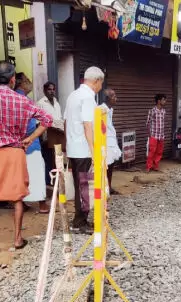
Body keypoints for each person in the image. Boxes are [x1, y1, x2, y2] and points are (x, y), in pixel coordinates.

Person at [0, 60, 53, 249]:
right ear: (13, 79)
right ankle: (18, 238)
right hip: (16, 152)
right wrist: (29, 138)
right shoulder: (23, 100)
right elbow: (47, 119)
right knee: (17, 196)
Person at [64, 66, 104, 233]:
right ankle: (80, 222)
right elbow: (88, 125)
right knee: (84, 186)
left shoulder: (73, 95)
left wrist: (67, 144)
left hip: (74, 147)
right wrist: (94, 151)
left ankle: (79, 219)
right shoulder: (88, 97)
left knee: (79, 185)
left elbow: (66, 122)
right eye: (101, 83)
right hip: (84, 149)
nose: (100, 86)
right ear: (97, 81)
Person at [37, 81, 65, 212]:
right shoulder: (40, 103)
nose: (52, 91)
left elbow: (59, 118)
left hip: (58, 136)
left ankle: (57, 189)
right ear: (44, 90)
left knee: (57, 162)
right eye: (49, 89)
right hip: (47, 137)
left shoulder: (57, 103)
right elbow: (39, 122)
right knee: (48, 163)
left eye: (53, 89)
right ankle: (49, 188)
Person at [99, 88, 122, 195]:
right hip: (104, 142)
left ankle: (108, 186)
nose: (116, 99)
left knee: (111, 165)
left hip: (111, 141)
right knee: (105, 166)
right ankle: (104, 189)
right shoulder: (101, 109)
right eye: (114, 96)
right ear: (108, 98)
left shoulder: (110, 110)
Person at [146, 93, 168, 172]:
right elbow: (148, 123)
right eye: (163, 100)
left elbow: (163, 122)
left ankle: (155, 166)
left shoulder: (164, 111)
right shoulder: (152, 111)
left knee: (159, 152)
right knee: (152, 151)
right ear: (159, 101)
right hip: (154, 135)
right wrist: (150, 135)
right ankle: (148, 167)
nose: (165, 101)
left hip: (161, 136)